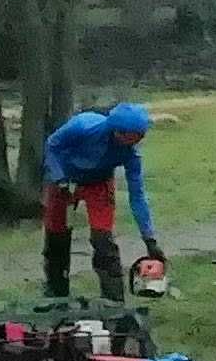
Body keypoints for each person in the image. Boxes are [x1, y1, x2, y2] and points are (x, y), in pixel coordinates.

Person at [36, 101, 156, 303]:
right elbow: (52, 146)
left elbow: (137, 195)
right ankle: (56, 291)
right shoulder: (82, 127)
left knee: (103, 239)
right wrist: (59, 176)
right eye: (129, 137)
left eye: (139, 137)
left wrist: (149, 239)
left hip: (99, 183)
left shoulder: (131, 155)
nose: (133, 143)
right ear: (116, 130)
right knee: (57, 235)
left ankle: (113, 299)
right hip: (65, 180)